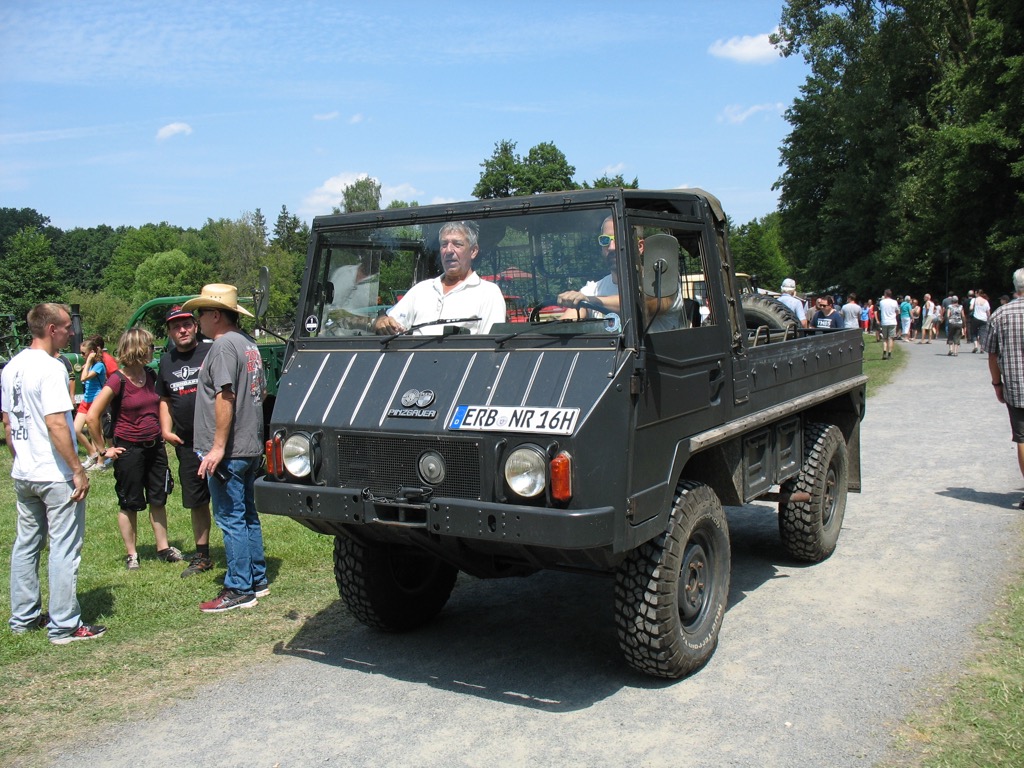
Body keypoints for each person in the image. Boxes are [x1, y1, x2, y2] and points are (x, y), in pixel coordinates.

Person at [2, 303, 106, 644]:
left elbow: (7, 422)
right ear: (51, 330)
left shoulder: (11, 367)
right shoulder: (51, 368)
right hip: (54, 475)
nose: (71, 331)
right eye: (65, 327)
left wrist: (20, 457)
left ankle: (24, 617)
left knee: (26, 545)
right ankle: (63, 625)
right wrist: (77, 469)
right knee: (64, 548)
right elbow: (56, 423)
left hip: (25, 472)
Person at [182, 284, 268, 612]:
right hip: (249, 445)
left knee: (230, 517)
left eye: (201, 312)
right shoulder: (248, 343)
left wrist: (217, 448)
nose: (198, 319)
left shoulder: (221, 347)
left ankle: (238, 588)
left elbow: (225, 395)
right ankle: (257, 579)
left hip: (230, 451)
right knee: (246, 514)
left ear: (216, 314)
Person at [87, 328, 183, 570]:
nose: (154, 350)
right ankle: (132, 555)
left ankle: (163, 548)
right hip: (129, 450)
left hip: (155, 448)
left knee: (158, 498)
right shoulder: (117, 380)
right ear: (139, 348)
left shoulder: (151, 375)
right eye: (150, 346)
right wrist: (102, 451)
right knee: (130, 503)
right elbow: (92, 416)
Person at [157, 306, 214, 578]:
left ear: (195, 326)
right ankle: (202, 555)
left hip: (218, 441)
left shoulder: (212, 351)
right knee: (196, 500)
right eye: (175, 326)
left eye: (186, 324)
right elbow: (165, 398)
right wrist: (166, 430)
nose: (182, 330)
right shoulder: (166, 362)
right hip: (188, 444)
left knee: (229, 498)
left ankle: (241, 552)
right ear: (169, 332)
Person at [373, 222, 506, 335]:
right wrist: (381, 321)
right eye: (444, 244)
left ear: (473, 251)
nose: (449, 250)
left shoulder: (488, 293)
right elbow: (390, 322)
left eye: (457, 244)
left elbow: (491, 349)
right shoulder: (422, 289)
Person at [556, 217, 684, 331]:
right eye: (605, 240)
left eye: (619, 239)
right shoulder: (593, 289)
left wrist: (590, 300)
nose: (611, 247)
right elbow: (563, 326)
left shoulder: (662, 283)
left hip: (655, 357)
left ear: (639, 246)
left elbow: (644, 305)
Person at [985, 270, 1024, 507]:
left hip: (1017, 387)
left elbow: (992, 354)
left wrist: (997, 384)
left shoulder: (1001, 314)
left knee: (1022, 438)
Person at [74, 337, 107, 468]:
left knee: (96, 432)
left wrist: (88, 362)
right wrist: (87, 363)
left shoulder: (99, 365)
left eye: (83, 353)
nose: (82, 356)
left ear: (92, 352)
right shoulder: (91, 365)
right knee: (76, 429)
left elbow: (83, 378)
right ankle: (93, 454)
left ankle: (100, 462)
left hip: (96, 400)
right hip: (86, 400)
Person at [878, 289, 900, 359]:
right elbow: (897, 311)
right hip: (892, 321)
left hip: (884, 321)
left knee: (885, 338)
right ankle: (889, 354)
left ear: (885, 294)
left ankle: (884, 353)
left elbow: (881, 310)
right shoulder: (894, 302)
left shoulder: (882, 302)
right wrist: (893, 315)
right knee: (891, 338)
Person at [971, 289, 991, 354]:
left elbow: (970, 308)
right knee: (982, 333)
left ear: (977, 293)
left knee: (974, 332)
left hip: (976, 318)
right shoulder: (986, 301)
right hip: (984, 319)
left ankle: (976, 346)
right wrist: (989, 319)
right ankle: (982, 348)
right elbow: (988, 312)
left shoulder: (974, 300)